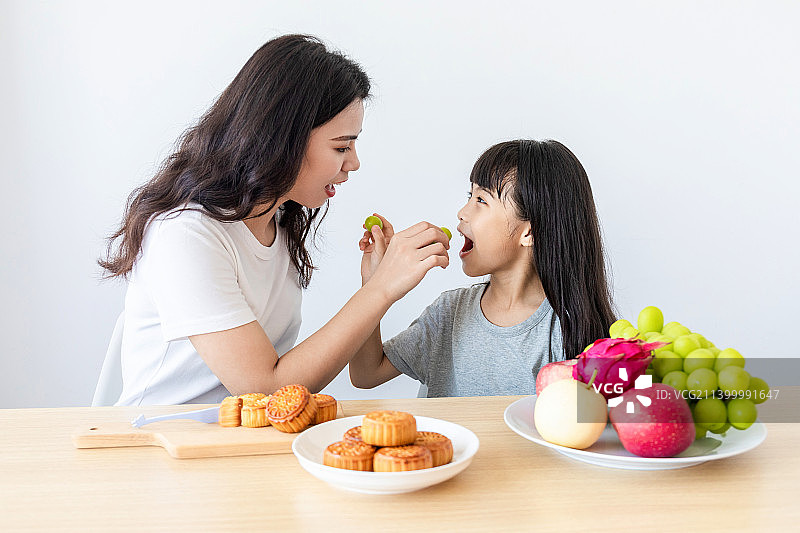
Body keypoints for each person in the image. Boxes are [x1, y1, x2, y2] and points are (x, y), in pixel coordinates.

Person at [99, 34, 450, 406]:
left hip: (246, 435)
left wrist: (375, 284)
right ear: (284, 138)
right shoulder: (185, 234)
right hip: (165, 436)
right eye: (341, 146)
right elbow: (265, 388)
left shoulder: (278, 223)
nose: (354, 162)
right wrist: (380, 290)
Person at [349, 139, 616, 397]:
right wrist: (373, 283)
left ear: (529, 233)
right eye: (470, 195)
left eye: (481, 200)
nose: (462, 212)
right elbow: (365, 374)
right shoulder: (450, 312)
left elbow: (583, 422)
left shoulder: (566, 331)